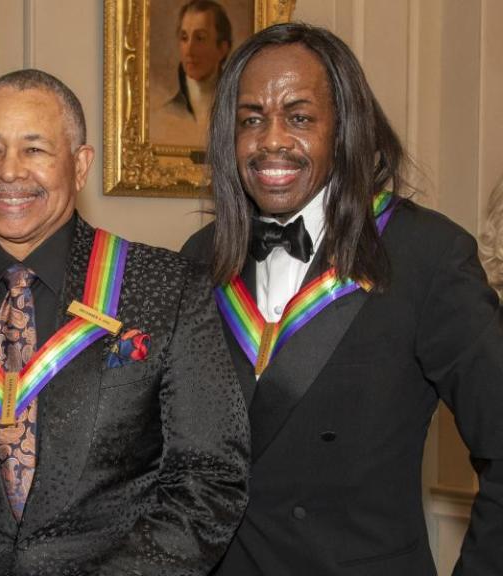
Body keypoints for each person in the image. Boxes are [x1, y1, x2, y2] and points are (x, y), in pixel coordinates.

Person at [181, 22, 503, 575]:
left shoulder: (426, 255)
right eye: (251, 119)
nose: (272, 140)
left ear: (346, 130)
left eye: (300, 117)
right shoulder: (202, 255)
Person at [0, 68, 249, 575]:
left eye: (34, 149)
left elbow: (209, 477)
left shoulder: (166, 286)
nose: (9, 171)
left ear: (80, 167)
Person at [150, 0, 232, 146]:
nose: (189, 50)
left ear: (222, 49)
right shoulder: (167, 114)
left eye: (200, 38)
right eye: (184, 38)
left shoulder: (236, 112)